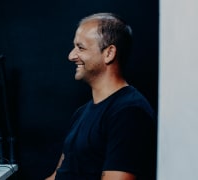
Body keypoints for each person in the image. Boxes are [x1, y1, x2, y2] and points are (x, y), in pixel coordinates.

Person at [45, 12, 157, 180]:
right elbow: (58, 176)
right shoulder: (81, 113)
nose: (71, 56)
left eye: (80, 47)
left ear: (109, 53)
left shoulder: (130, 113)